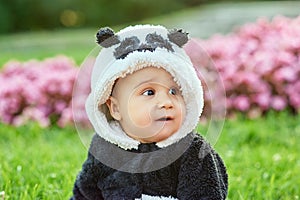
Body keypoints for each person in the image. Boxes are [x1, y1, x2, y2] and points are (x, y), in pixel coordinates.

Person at [71, 24, 228, 200]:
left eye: (174, 91)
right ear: (115, 108)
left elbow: (205, 194)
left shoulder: (193, 152)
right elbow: (85, 193)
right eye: (149, 92)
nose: (166, 102)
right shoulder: (103, 150)